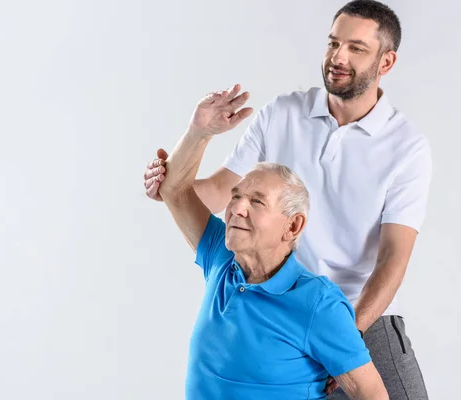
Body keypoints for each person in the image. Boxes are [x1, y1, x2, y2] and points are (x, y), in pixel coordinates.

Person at [143, 1, 430, 399]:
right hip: (272, 299)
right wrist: (177, 169)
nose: (338, 57)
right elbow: (213, 193)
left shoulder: (406, 148)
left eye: (356, 48)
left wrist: (347, 333)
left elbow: (392, 261)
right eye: (333, 43)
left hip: (360, 313)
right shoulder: (283, 113)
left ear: (386, 61)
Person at [157, 88, 388, 398]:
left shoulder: (319, 303)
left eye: (256, 201)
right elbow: (174, 190)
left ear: (292, 226)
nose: (237, 207)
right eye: (236, 196)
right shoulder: (221, 257)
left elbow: (372, 394)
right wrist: (199, 132)